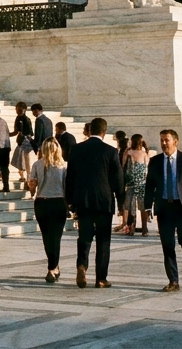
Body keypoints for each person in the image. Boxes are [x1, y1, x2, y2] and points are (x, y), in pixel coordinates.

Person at [64, 117, 122, 289]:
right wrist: (122, 200)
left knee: (85, 237)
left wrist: (69, 201)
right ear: (104, 132)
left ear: (89, 131)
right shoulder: (111, 152)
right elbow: (118, 180)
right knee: (103, 241)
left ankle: (82, 265)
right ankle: (101, 279)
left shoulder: (76, 149)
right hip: (104, 201)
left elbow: (70, 178)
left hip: (83, 200)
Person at [145, 129, 182, 291]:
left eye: (167, 140)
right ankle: (173, 280)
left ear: (175, 141)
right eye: (162, 140)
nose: (164, 143)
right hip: (164, 207)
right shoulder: (155, 161)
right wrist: (147, 206)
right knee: (167, 244)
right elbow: (150, 185)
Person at [28, 137, 68, 283]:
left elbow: (32, 188)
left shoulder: (37, 165)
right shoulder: (64, 166)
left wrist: (32, 186)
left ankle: (52, 267)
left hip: (42, 202)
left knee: (47, 237)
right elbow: (66, 187)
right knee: (55, 237)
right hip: (58, 202)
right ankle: (53, 267)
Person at [119, 134, 149, 236]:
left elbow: (123, 166)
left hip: (131, 183)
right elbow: (146, 169)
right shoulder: (144, 154)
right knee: (141, 207)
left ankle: (132, 227)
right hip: (141, 183)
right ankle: (143, 228)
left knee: (132, 206)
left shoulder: (128, 152)